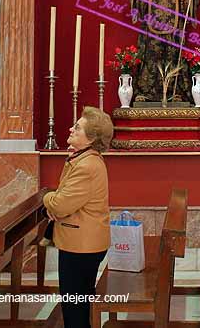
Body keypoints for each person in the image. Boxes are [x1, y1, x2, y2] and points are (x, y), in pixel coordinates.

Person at [43, 106, 114, 328]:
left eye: (78, 127)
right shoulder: (82, 159)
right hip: (83, 243)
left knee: (75, 308)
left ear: (91, 138)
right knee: (78, 303)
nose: (71, 129)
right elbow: (65, 201)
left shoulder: (87, 165)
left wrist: (47, 198)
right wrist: (56, 201)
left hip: (82, 246)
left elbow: (60, 204)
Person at [130, 0, 199, 102]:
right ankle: (145, 94)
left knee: (173, 59)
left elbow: (186, 0)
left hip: (174, 27)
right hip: (151, 25)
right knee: (150, 59)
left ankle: (176, 94)